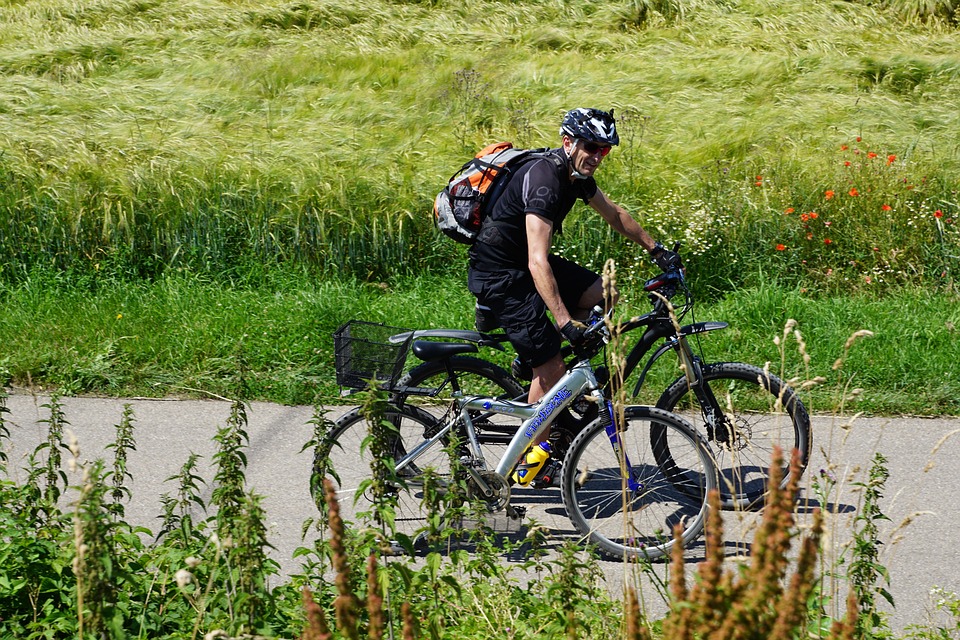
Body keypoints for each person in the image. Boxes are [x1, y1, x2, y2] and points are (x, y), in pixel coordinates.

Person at [467, 108, 681, 482]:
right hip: (502, 273)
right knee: (551, 366)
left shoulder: (576, 176)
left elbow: (614, 215)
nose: (598, 156)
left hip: (524, 262)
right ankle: (527, 463)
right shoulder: (545, 179)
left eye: (605, 150)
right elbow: (537, 262)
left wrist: (656, 249)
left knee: (605, 292)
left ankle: (545, 367)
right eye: (592, 146)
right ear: (569, 142)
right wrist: (565, 323)